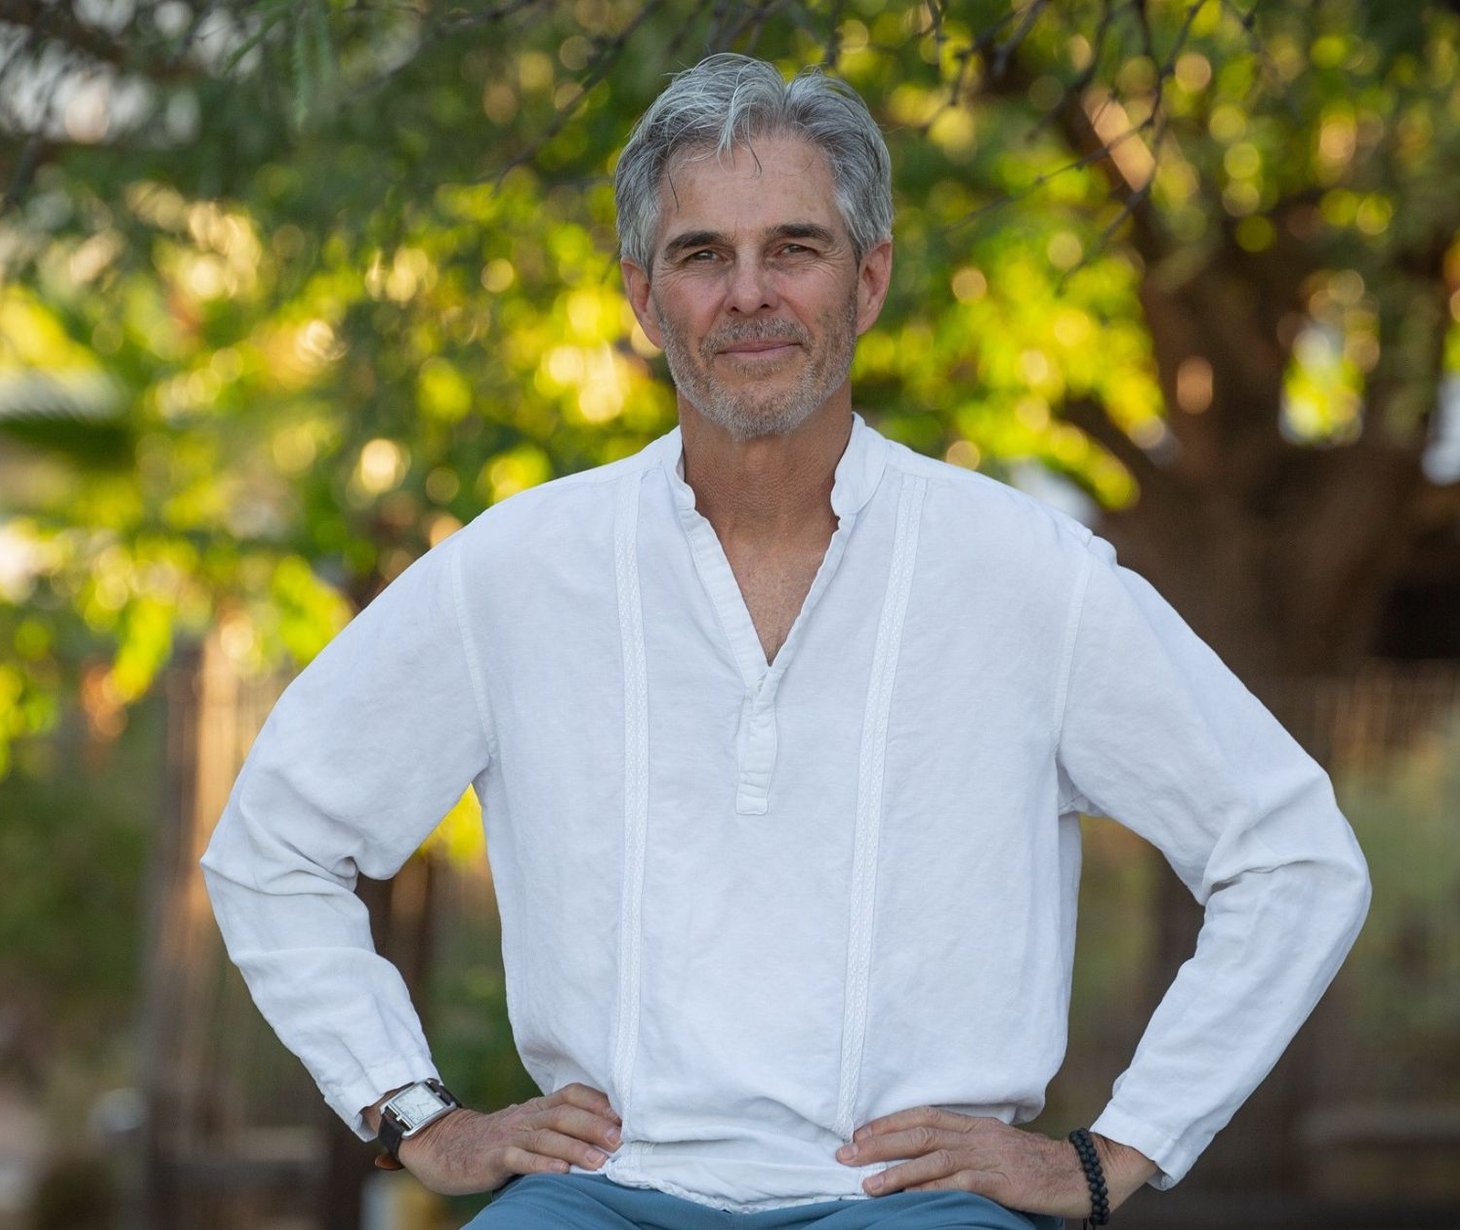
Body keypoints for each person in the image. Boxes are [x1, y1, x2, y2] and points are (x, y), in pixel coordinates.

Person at [197, 52, 1372, 1230]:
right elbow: (272, 843)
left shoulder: (1026, 576)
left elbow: (1290, 856)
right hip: (602, 1197)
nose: (748, 292)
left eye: (792, 249)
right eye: (701, 255)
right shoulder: (514, 570)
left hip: (911, 1205)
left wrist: (1113, 1152)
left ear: (865, 284)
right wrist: (413, 1115)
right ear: (643, 300)